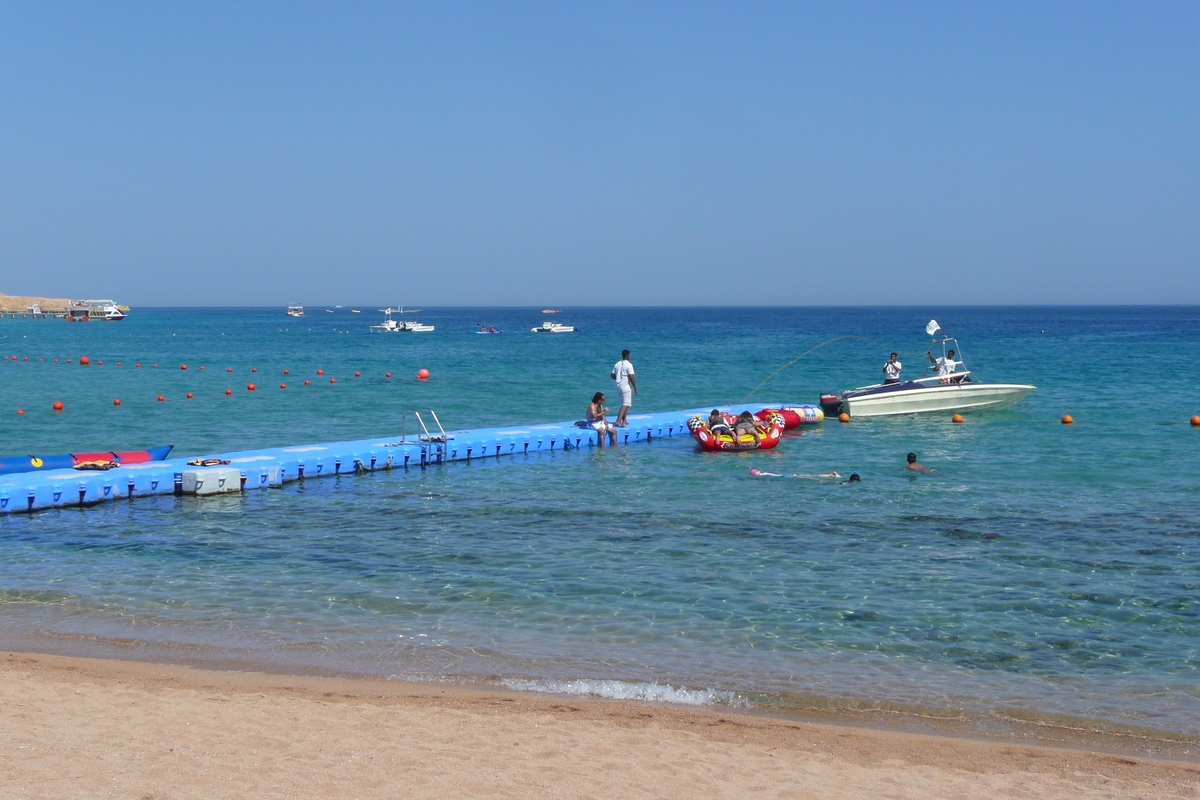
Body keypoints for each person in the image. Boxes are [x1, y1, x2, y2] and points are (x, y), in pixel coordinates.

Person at [610, 350, 638, 427]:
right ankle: (618, 420)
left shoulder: (617, 364)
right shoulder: (629, 365)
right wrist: (635, 387)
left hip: (618, 385)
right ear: (627, 356)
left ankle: (624, 420)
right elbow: (631, 377)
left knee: (624, 402)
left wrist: (618, 378)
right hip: (625, 386)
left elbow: (612, 375)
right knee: (626, 404)